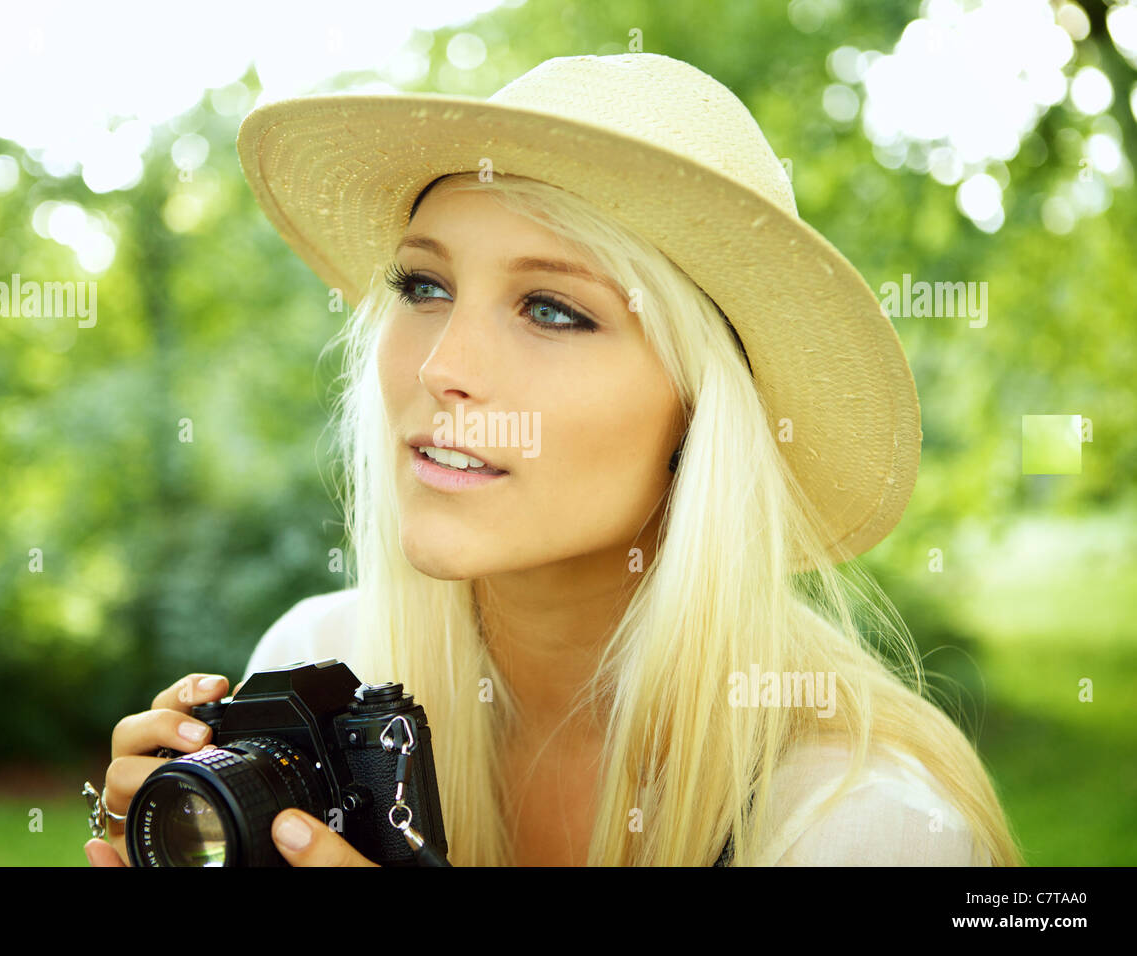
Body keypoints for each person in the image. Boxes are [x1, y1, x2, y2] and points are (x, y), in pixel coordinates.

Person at [86, 52, 1022, 867]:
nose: (444, 366)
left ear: (701, 413)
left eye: (552, 310)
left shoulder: (864, 826)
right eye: (424, 285)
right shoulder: (311, 663)